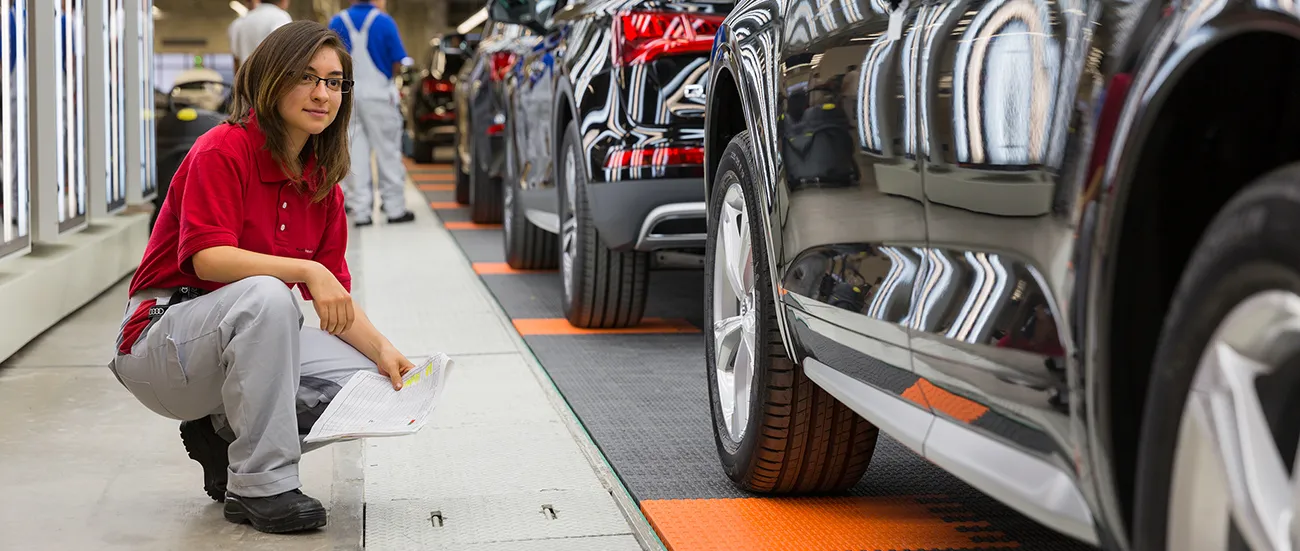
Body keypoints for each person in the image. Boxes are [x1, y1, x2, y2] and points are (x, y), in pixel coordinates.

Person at [110, 21, 416, 534]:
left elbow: (335, 306)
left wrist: (386, 352)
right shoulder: (221, 149)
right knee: (271, 298)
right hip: (161, 343)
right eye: (307, 77)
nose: (323, 93)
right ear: (271, 80)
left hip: (232, 346)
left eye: (335, 81)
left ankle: (224, 434)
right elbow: (208, 259)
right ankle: (262, 485)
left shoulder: (323, 187)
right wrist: (306, 269)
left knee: (370, 383)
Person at [329, 0, 415, 226]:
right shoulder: (384, 21)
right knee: (388, 152)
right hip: (379, 96)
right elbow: (397, 61)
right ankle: (395, 209)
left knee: (354, 154)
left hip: (349, 98)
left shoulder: (338, 21)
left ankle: (361, 212)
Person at [231, 0, 293, 74]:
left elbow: (236, 58)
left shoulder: (240, 22)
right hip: (269, 79)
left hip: (246, 78)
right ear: (284, 1)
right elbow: (284, 51)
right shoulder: (280, 17)